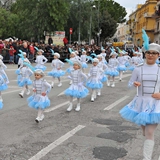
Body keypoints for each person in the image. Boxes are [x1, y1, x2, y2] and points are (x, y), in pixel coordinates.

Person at [120, 43, 160, 160]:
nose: (151, 55)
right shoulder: (138, 69)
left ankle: (146, 158)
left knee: (149, 132)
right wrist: (134, 84)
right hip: (140, 104)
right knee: (145, 131)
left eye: (154, 53)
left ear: (158, 55)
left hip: (156, 104)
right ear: (145, 54)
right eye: (148, 53)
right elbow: (129, 84)